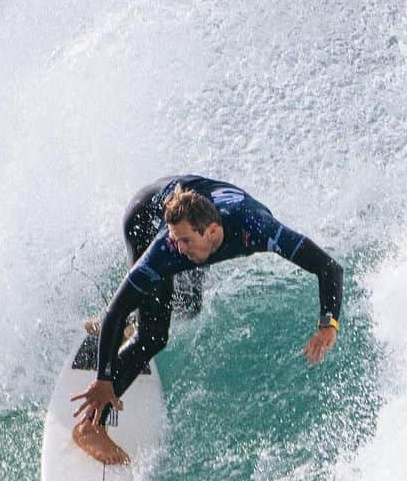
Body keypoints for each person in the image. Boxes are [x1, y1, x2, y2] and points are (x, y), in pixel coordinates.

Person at [72, 175, 343, 464]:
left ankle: (135, 322)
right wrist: (103, 379)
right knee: (153, 336)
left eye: (185, 241)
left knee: (189, 307)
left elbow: (328, 267)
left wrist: (328, 324)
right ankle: (89, 427)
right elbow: (117, 309)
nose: (179, 248)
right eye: (177, 241)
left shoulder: (258, 229)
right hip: (145, 218)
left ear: (213, 232)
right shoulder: (169, 246)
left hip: (197, 216)